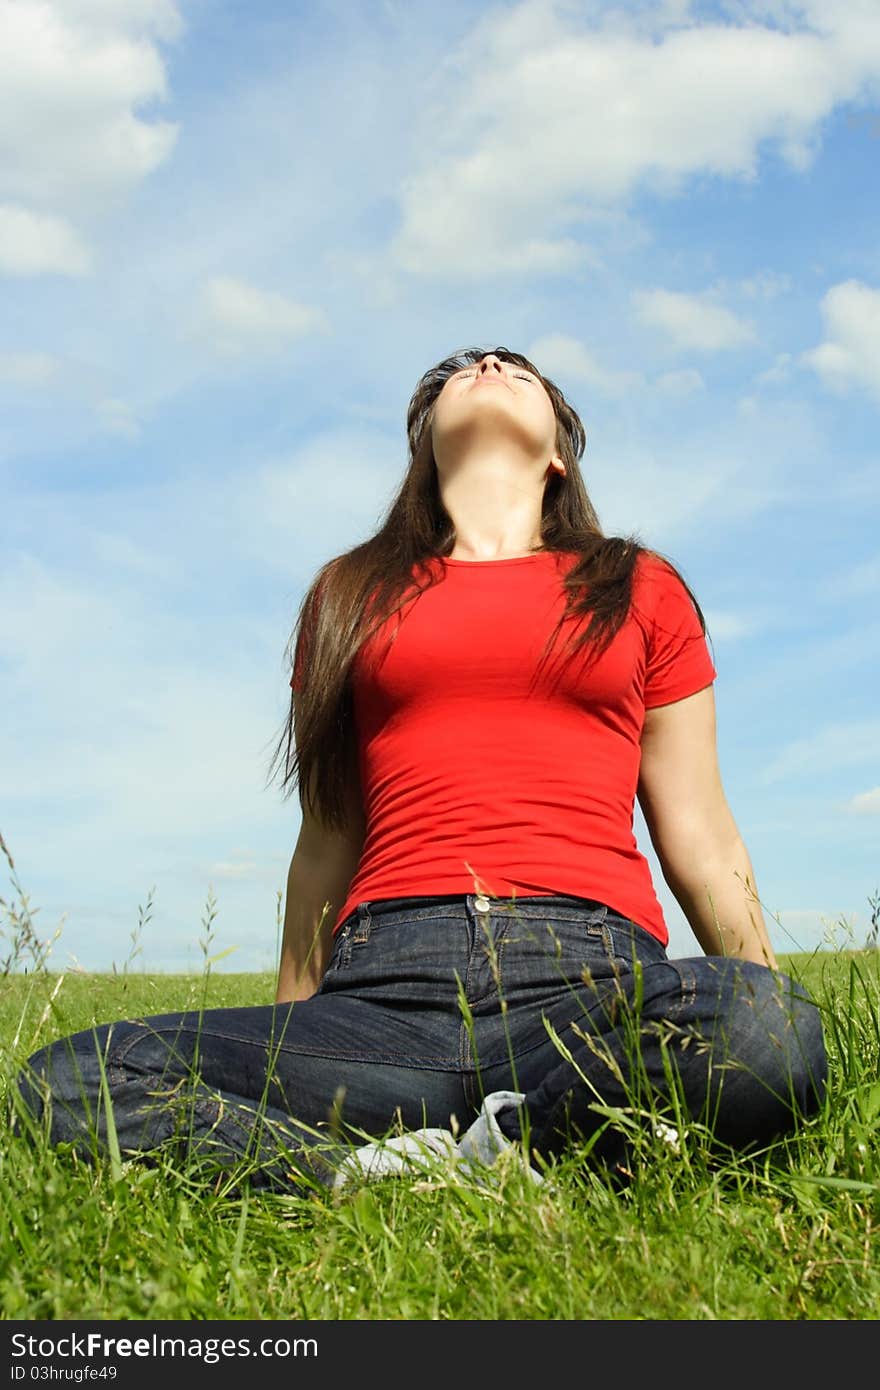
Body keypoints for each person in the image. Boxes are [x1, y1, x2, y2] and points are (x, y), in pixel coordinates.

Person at [15, 347, 827, 1191]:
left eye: (518, 368)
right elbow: (326, 839)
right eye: (465, 369)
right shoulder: (349, 592)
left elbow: (698, 828)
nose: (487, 362)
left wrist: (755, 1008)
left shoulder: (636, 585)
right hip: (383, 998)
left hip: (589, 984)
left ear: (558, 453)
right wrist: (297, 1038)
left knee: (771, 1033)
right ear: (425, 446)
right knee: (68, 1080)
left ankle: (500, 1140)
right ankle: (364, 1173)